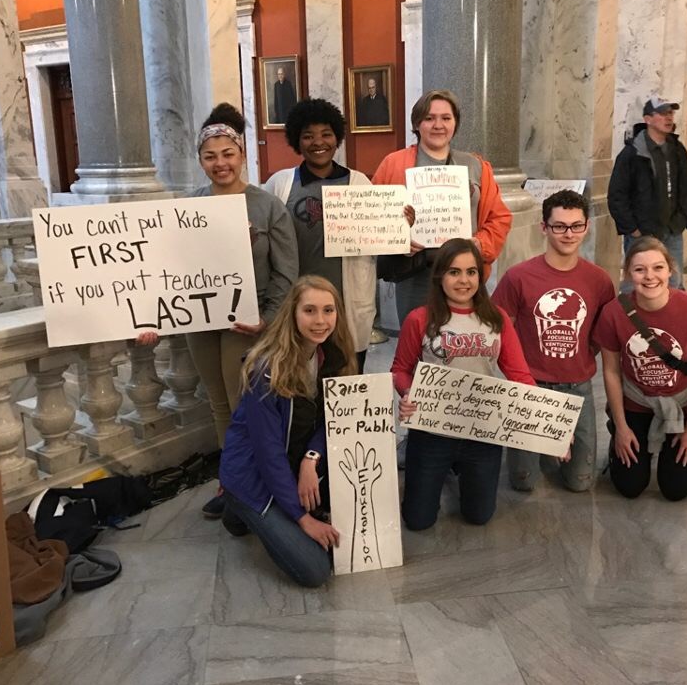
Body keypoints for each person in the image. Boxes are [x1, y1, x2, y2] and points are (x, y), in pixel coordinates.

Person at [137, 103, 298, 520]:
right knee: (217, 403)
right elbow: (168, 268)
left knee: (242, 401)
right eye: (210, 156)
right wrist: (152, 316)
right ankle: (232, 482)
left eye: (228, 153)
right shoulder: (188, 206)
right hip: (199, 319)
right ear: (200, 160)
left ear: (242, 155)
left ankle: (257, 480)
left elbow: (287, 271)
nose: (220, 163)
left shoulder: (266, 206)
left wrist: (269, 317)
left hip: (247, 321)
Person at [219, 276, 356, 587]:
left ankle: (244, 512)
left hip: (295, 459)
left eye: (328, 310)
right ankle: (236, 500)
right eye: (309, 310)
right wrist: (302, 518)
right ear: (293, 314)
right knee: (315, 571)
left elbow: (333, 418)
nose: (320, 321)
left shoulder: (332, 356)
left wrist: (311, 458)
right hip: (254, 472)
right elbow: (267, 454)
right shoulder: (265, 370)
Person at [393, 238, 535, 530]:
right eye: (454, 272)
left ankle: (459, 471)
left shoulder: (497, 320)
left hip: (481, 431)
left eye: (471, 272)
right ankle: (439, 472)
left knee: (479, 516)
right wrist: (407, 392)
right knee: (418, 521)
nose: (464, 280)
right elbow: (401, 370)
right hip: (432, 431)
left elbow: (520, 376)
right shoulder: (419, 319)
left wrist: (554, 423)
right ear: (440, 276)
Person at [492, 189, 615, 492]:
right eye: (559, 226)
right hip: (531, 385)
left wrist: (583, 357)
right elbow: (497, 328)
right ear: (544, 228)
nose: (568, 234)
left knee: (580, 484)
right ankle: (541, 450)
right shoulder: (518, 277)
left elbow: (604, 332)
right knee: (523, 483)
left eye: (575, 226)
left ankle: (557, 446)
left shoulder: (599, 280)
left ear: (586, 227)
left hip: (578, 386)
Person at [593, 237, 687, 501]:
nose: (649, 276)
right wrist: (621, 427)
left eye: (658, 268)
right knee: (628, 486)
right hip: (637, 402)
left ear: (670, 270)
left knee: (676, 488)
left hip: (683, 405)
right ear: (628, 273)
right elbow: (611, 372)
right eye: (639, 269)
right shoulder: (613, 313)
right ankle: (624, 437)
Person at [264, 98, 387, 371]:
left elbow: (380, 237)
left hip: (347, 307)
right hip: (298, 306)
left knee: (345, 383)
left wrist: (400, 224)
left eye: (326, 134)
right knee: (300, 385)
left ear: (337, 138)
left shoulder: (359, 183)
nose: (318, 142)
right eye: (308, 136)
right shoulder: (280, 184)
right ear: (297, 140)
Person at [372, 89, 512, 325]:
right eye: (429, 118)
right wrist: (398, 239)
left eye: (446, 118)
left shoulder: (475, 166)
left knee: (461, 343)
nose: (438, 125)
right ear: (417, 123)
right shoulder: (393, 164)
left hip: (464, 273)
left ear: (455, 123)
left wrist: (480, 244)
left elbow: (500, 218)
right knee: (417, 341)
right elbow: (373, 218)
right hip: (414, 274)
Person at [608, 96, 687, 289]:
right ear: (648, 119)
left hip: (672, 229)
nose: (669, 118)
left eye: (671, 113)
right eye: (663, 113)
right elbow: (617, 195)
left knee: (674, 282)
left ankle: (671, 319)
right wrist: (632, 228)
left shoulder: (677, 149)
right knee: (638, 283)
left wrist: (683, 217)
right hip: (642, 232)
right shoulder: (632, 153)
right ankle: (634, 320)